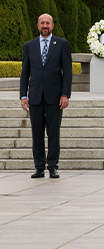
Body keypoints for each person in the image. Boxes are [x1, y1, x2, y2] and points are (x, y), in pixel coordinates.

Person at [19, 13, 72, 179]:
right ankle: (39, 167)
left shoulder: (62, 44)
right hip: (34, 96)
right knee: (37, 132)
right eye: (42, 23)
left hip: (54, 97)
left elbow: (68, 72)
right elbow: (25, 73)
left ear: (52, 26)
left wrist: (65, 94)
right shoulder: (29, 46)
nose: (45, 26)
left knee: (53, 132)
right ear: (37, 25)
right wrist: (23, 95)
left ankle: (53, 166)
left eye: (47, 23)